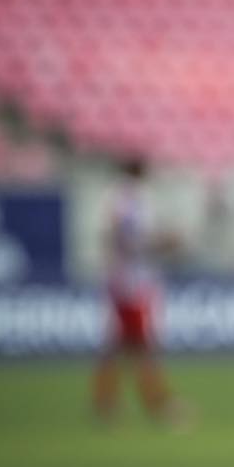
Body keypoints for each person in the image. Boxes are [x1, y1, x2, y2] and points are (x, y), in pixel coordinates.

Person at [91, 156, 183, 424]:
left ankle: (106, 402)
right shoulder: (130, 199)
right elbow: (127, 238)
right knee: (142, 346)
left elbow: (115, 236)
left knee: (121, 345)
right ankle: (156, 403)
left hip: (124, 280)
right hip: (133, 283)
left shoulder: (118, 198)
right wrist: (162, 244)